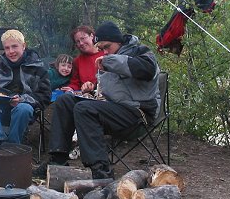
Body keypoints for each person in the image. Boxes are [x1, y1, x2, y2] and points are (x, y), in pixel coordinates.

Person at [36, 21, 160, 180]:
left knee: (85, 110)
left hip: (139, 114)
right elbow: (114, 89)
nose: (104, 52)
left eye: (106, 47)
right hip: (115, 110)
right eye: (101, 49)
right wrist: (93, 89)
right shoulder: (109, 59)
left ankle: (101, 172)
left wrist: (109, 61)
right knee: (65, 101)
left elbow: (147, 70)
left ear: (118, 41)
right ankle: (57, 160)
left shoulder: (141, 52)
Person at [0, 29, 50, 145]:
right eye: (7, 48)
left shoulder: (38, 68)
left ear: (23, 46)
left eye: (14, 46)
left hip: (25, 109)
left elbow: (45, 96)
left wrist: (22, 99)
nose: (11, 51)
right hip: (1, 108)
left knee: (23, 108)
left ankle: (12, 145)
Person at [62, 25, 101, 94]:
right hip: (85, 96)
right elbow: (75, 83)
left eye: (83, 38)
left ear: (91, 36)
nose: (81, 43)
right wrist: (71, 88)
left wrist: (94, 86)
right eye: (77, 41)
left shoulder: (106, 54)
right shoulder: (77, 61)